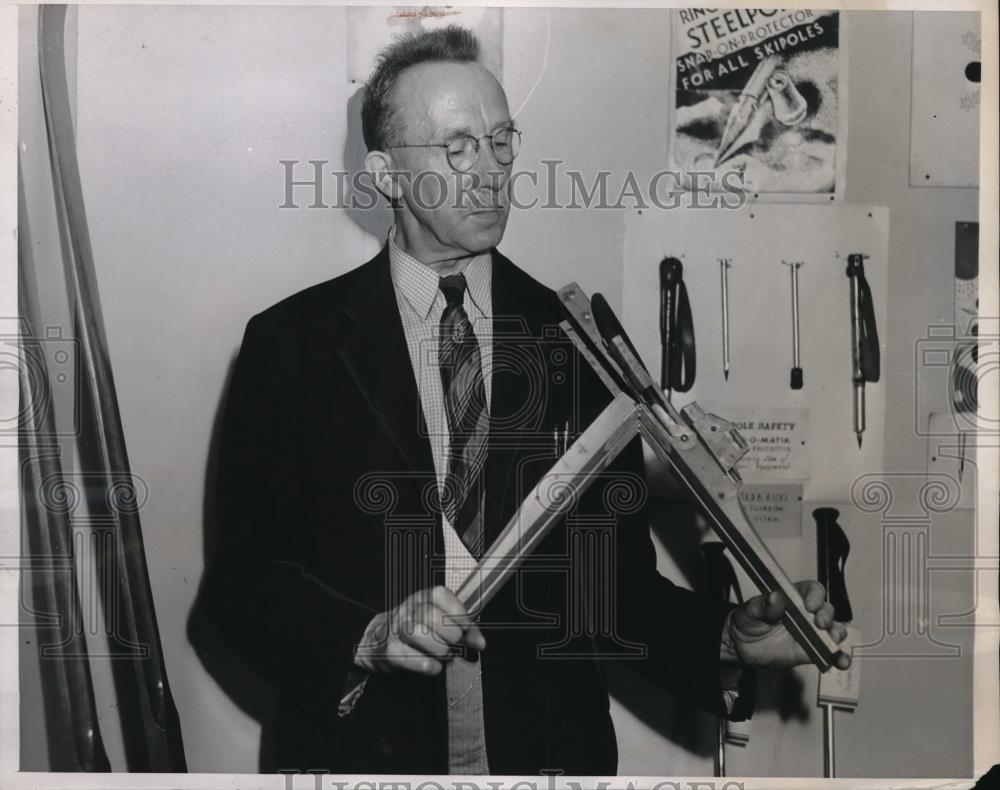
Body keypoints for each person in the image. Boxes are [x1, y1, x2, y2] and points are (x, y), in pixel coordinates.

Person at [202, 25, 848, 776]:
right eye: (456, 148)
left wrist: (724, 637)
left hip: (547, 751)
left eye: (501, 142)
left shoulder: (575, 338)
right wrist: (368, 635)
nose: (489, 173)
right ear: (385, 174)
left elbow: (617, 590)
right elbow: (240, 586)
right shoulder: (294, 345)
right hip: (362, 749)